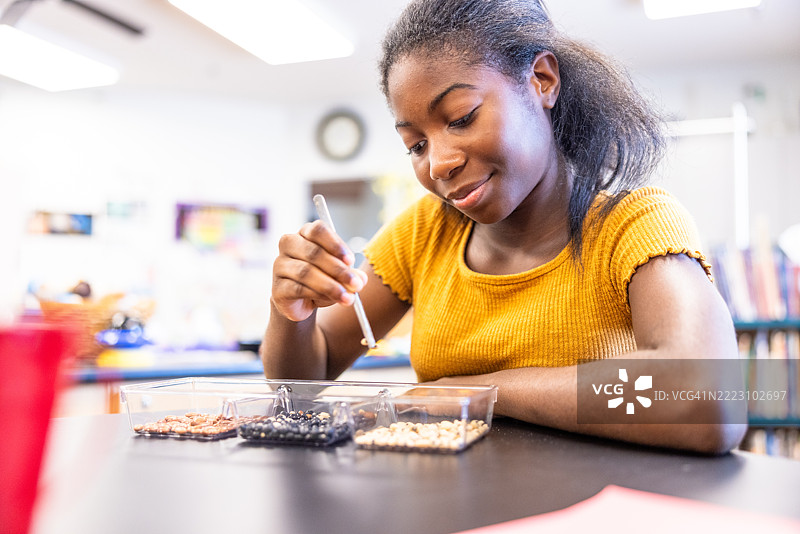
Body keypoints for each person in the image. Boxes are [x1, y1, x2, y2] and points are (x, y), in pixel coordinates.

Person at [263, 0, 746, 454]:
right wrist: (291, 310)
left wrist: (477, 392)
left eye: (461, 118)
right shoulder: (424, 232)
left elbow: (707, 400)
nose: (438, 164)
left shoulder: (632, 225)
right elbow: (302, 384)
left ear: (542, 81)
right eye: (416, 145)